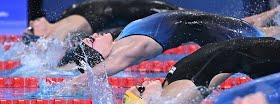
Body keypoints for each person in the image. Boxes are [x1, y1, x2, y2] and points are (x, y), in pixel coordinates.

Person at [58, 7, 280, 94]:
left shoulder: (120, 41)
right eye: (91, 42)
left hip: (201, 22)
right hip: (202, 28)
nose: (93, 36)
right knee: (263, 37)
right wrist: (63, 88)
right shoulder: (125, 52)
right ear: (99, 55)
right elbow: (95, 73)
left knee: (250, 24)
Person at [122, 37, 280, 104]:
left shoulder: (170, 85)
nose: (146, 81)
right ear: (148, 103)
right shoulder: (173, 97)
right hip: (257, 54)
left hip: (254, 52)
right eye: (141, 89)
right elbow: (220, 66)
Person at [26, 0, 180, 41]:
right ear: (42, 37)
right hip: (113, 11)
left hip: (98, 7)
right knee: (169, 13)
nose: (32, 23)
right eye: (32, 29)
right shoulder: (59, 34)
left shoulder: (60, 19)